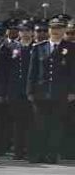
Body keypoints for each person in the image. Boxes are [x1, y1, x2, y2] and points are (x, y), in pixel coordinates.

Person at [29, 16, 71, 163]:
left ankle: (52, 154)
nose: (56, 31)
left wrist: (72, 91)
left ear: (64, 30)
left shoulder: (71, 48)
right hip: (41, 92)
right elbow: (33, 72)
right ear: (49, 30)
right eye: (53, 28)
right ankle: (39, 153)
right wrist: (30, 91)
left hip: (60, 93)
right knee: (39, 125)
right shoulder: (39, 47)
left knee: (56, 125)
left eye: (59, 28)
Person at [3, 21, 36, 159]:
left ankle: (29, 150)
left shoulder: (36, 47)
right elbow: (5, 71)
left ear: (32, 32)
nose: (25, 33)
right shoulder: (11, 47)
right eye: (23, 31)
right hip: (15, 90)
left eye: (28, 30)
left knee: (31, 122)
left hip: (30, 91)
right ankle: (18, 151)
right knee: (17, 122)